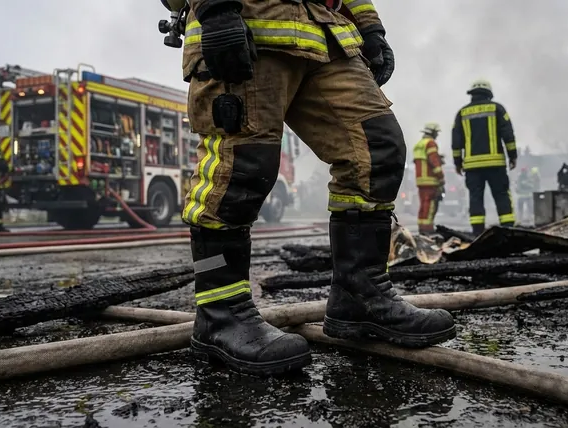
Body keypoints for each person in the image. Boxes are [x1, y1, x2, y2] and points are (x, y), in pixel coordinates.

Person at [160, 0, 457, 376]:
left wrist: (369, 27)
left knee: (375, 150)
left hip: (327, 36)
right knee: (240, 173)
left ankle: (360, 296)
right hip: (249, 25)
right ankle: (220, 314)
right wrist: (216, 9)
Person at [451, 79, 517, 236]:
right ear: (489, 93)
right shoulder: (498, 109)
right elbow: (508, 134)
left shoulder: (462, 113)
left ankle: (477, 233)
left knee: (475, 199)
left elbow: (456, 142)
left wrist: (458, 163)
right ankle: (508, 230)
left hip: (472, 167)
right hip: (496, 164)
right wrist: (512, 156)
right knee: (501, 196)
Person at [412, 123, 445, 235]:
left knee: (423, 204)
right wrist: (441, 177)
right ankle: (428, 230)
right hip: (430, 180)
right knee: (430, 205)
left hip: (420, 180)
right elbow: (434, 162)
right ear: (433, 132)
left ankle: (422, 228)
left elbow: (423, 161)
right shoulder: (430, 143)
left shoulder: (419, 144)